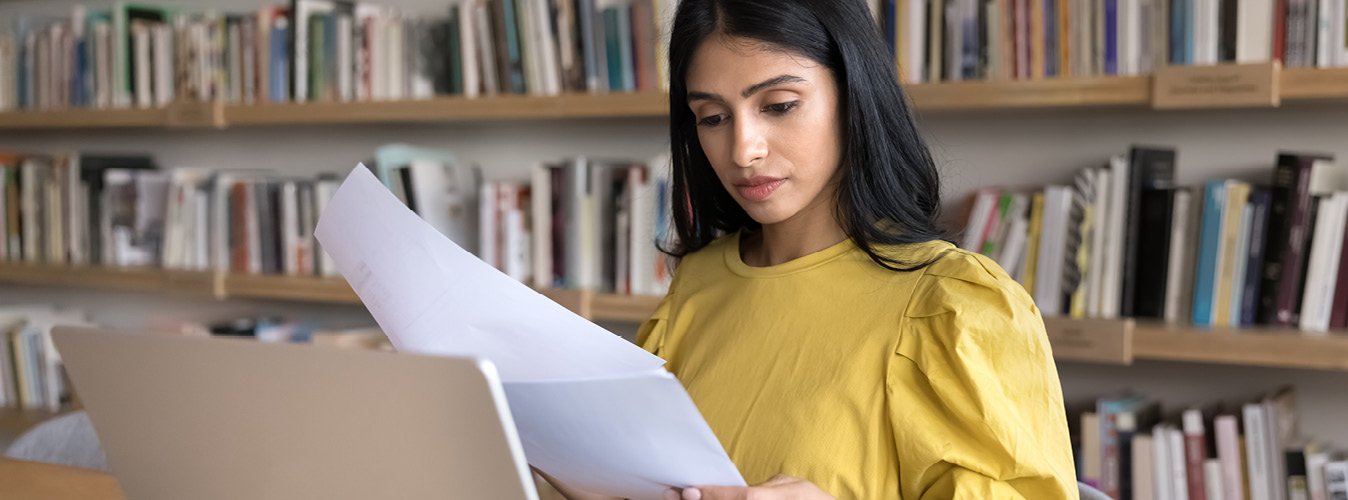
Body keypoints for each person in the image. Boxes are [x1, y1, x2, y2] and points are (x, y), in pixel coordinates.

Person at [546, 0, 1079, 498]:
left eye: (779, 105)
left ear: (855, 94)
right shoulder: (695, 286)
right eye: (712, 117)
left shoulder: (954, 306)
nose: (743, 150)